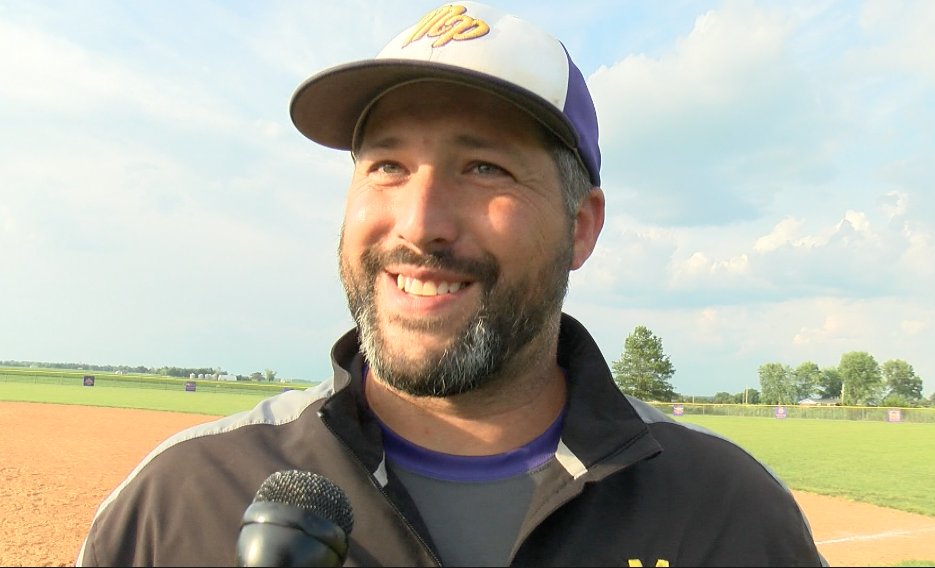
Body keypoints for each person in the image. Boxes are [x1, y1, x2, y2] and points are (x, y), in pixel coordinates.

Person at [77, 3, 825, 566]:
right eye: (387, 166)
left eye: (484, 168)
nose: (420, 223)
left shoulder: (726, 515)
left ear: (581, 227)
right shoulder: (179, 503)